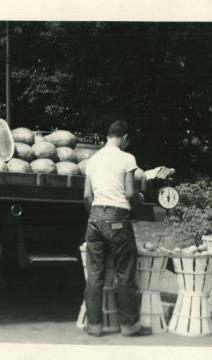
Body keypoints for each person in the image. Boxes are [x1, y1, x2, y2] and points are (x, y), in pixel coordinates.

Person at [82, 120, 148, 337]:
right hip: (118, 219)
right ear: (125, 138)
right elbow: (129, 193)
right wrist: (139, 197)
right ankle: (130, 325)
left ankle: (94, 325)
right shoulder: (127, 158)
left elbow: (86, 196)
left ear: (107, 136)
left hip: (95, 217)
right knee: (125, 272)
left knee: (94, 274)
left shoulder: (93, 159)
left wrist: (97, 216)